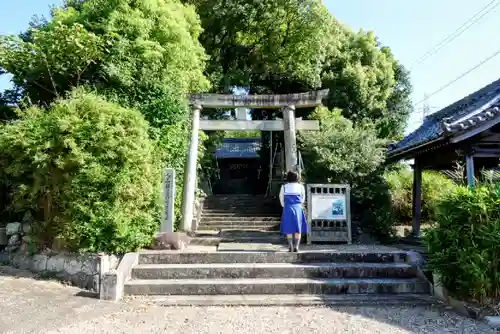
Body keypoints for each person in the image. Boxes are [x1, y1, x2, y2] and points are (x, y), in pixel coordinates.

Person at [279, 170, 307, 252]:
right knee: (298, 228)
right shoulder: (301, 186)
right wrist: (299, 204)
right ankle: (297, 246)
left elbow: (281, 198)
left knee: (289, 228)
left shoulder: (284, 186)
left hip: (288, 208)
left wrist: (284, 205)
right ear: (297, 177)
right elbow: (303, 198)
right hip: (298, 208)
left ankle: (290, 246)